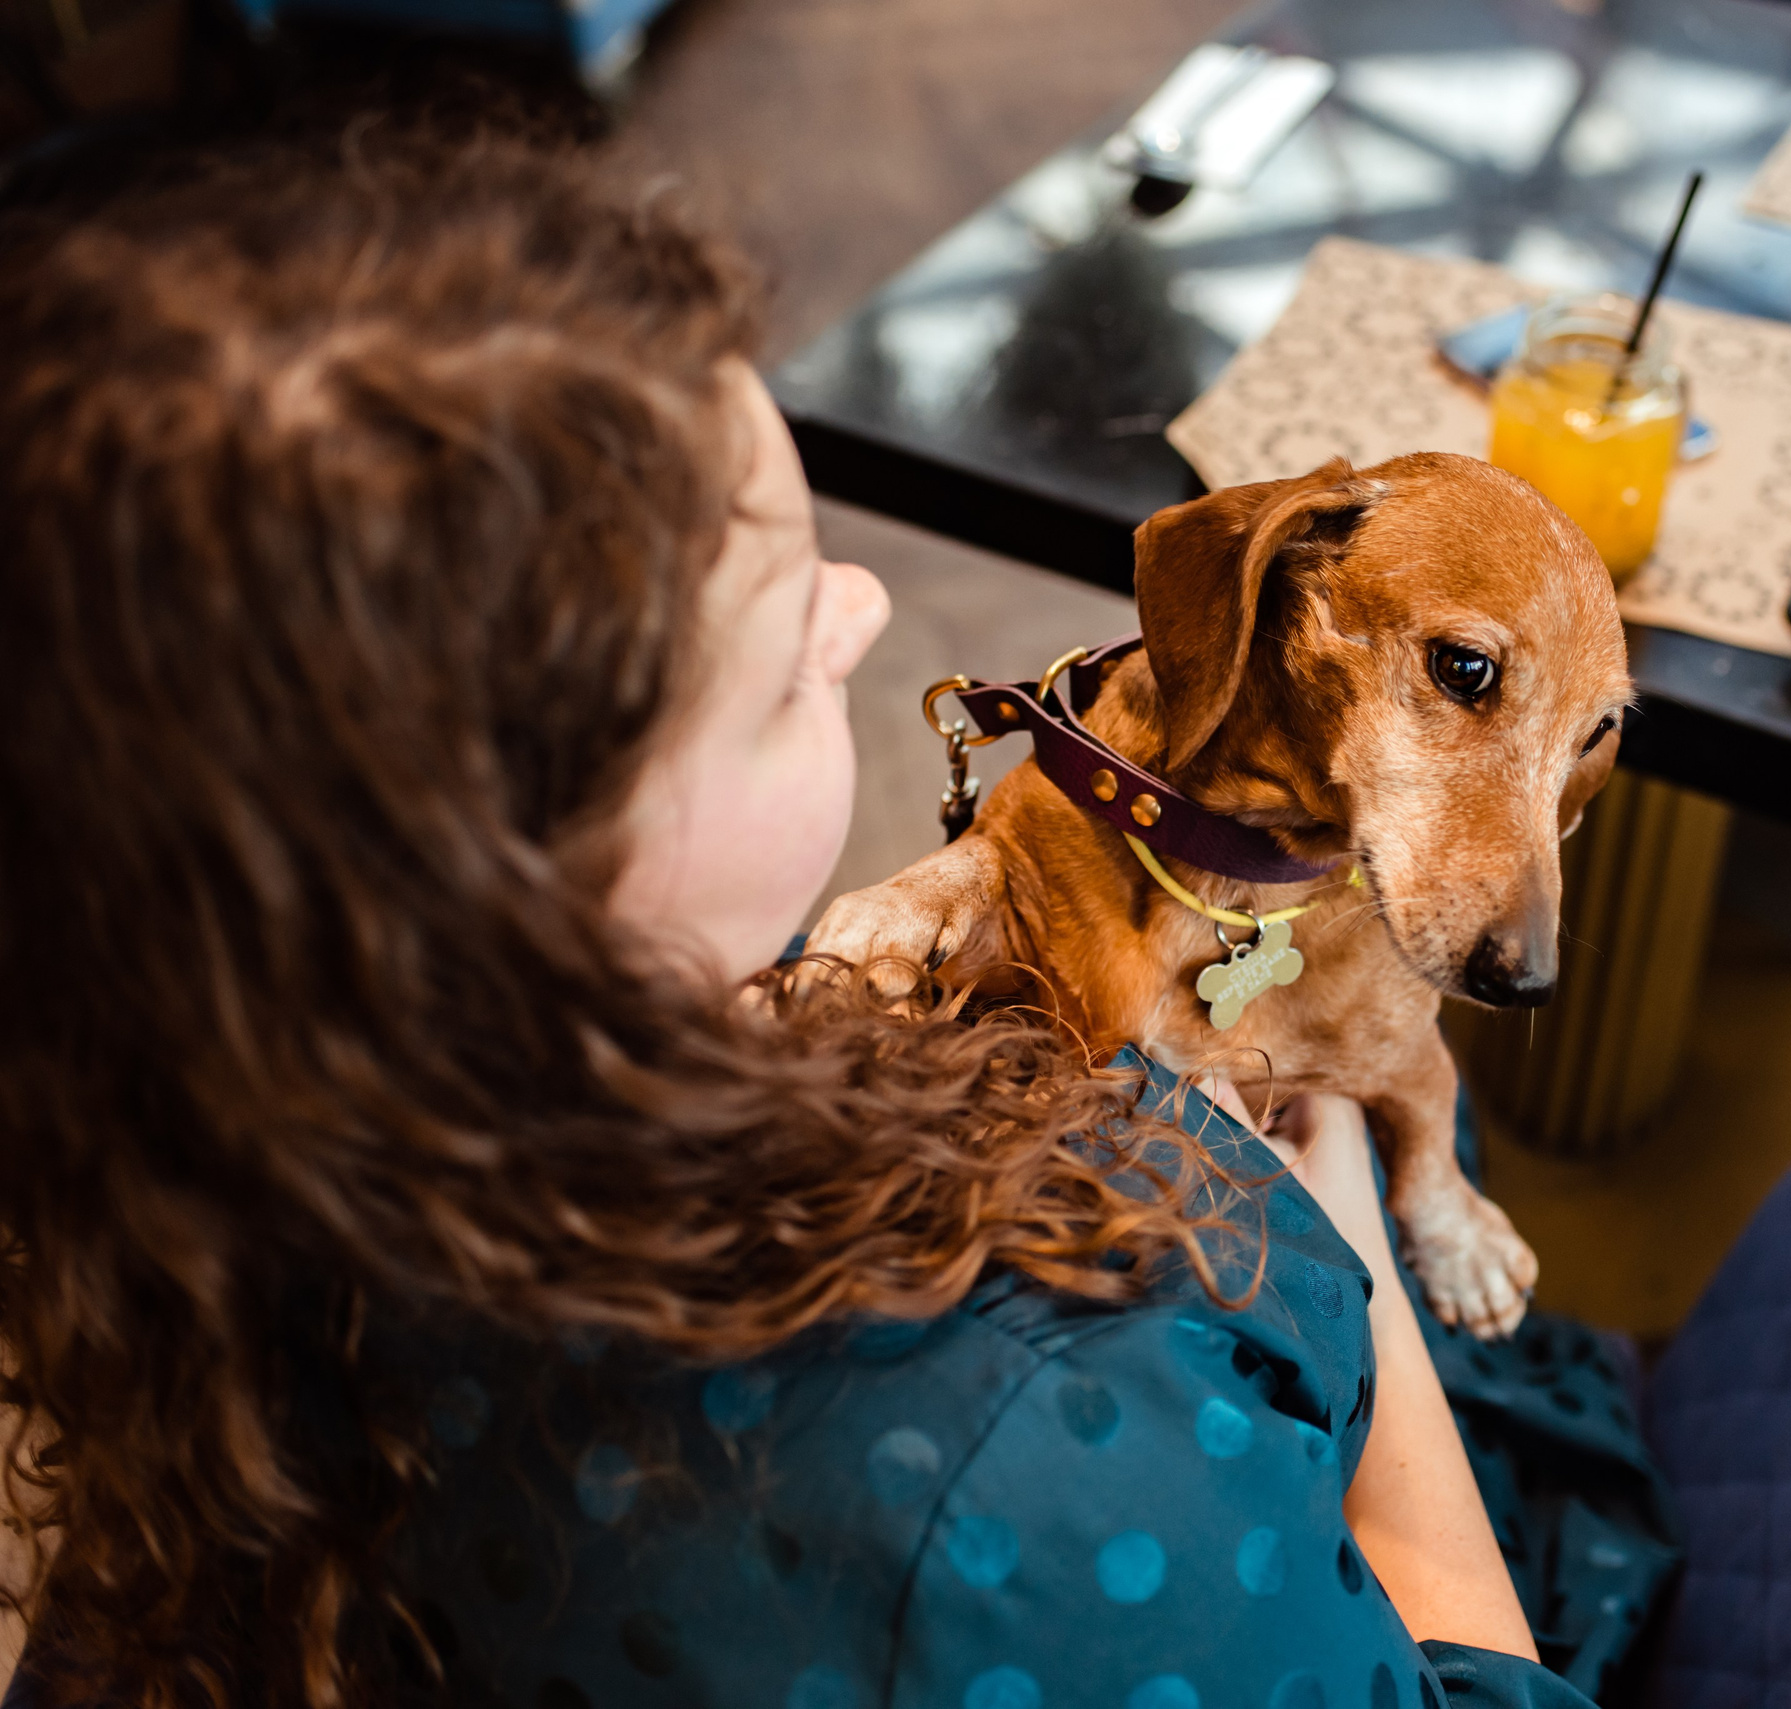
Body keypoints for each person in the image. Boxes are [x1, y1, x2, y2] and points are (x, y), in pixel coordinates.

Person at [0, 131, 1670, 1709]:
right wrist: (1351, 1236)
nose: (867, 602)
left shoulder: (206, 1193)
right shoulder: (1052, 1464)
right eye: (783, 619)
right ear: (517, 869)